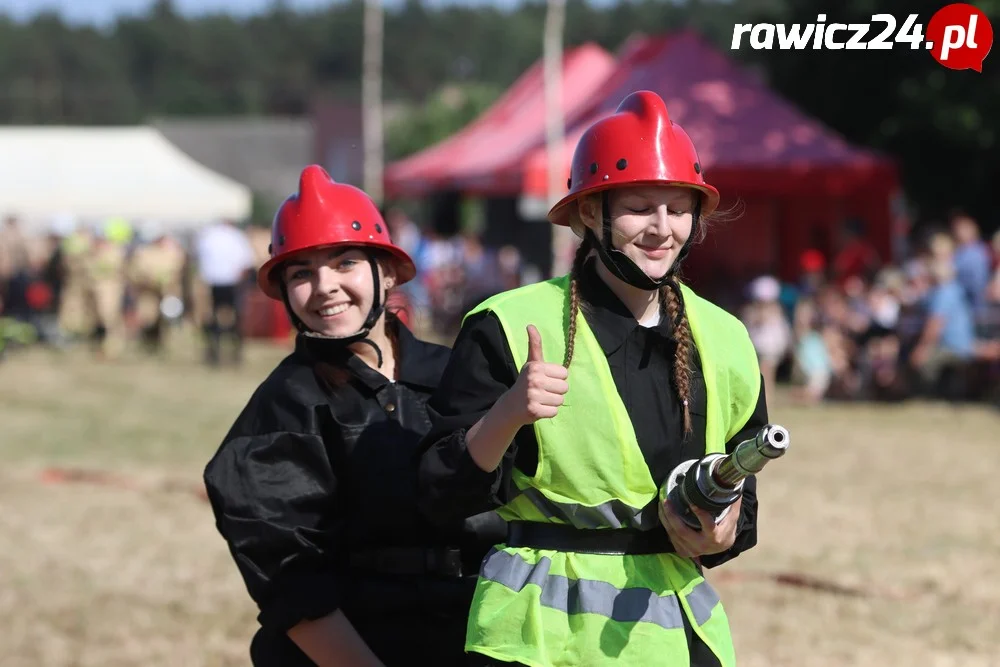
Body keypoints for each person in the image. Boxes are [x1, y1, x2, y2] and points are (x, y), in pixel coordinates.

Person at [418, 91, 770, 667]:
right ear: (590, 213)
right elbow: (438, 494)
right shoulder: (506, 325)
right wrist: (508, 413)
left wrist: (721, 534)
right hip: (537, 640)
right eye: (639, 207)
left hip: (675, 638)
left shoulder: (727, 337)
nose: (662, 229)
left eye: (678, 209)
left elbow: (740, 494)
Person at [203, 165, 505, 667]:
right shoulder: (282, 407)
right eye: (301, 273)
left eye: (344, 263)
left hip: (476, 635)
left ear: (386, 272)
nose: (324, 287)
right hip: (354, 647)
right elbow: (292, 583)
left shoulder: (456, 372)